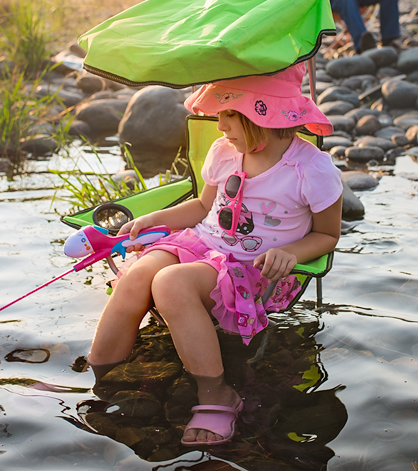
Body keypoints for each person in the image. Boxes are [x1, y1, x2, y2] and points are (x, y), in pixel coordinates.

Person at [85, 64, 343, 446]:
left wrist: (290, 251)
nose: (219, 126)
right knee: (140, 274)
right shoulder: (224, 152)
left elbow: (327, 234)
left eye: (227, 115)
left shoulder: (310, 169)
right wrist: (154, 219)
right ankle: (100, 377)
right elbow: (202, 207)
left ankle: (216, 393)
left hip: (254, 270)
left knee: (170, 283)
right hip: (200, 244)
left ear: (263, 115)